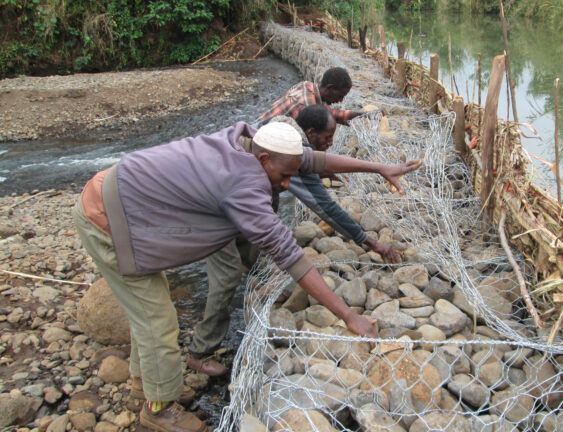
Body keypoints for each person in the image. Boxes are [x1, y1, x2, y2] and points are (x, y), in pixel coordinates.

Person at [73, 121, 421, 432]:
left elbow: (312, 160)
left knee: (152, 305)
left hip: (127, 195)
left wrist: (378, 167)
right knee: (157, 321)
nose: (287, 185)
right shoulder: (242, 188)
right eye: (283, 177)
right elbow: (292, 258)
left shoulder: (252, 141)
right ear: (264, 161)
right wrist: (349, 316)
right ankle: (158, 411)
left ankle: (144, 384)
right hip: (109, 217)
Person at [186, 103, 402, 377]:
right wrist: (350, 311)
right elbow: (325, 211)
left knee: (250, 254)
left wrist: (379, 168)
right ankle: (200, 350)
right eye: (327, 138)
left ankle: (246, 291)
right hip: (214, 211)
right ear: (311, 133)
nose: (331, 143)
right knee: (227, 273)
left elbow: (320, 162)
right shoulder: (286, 158)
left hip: (232, 203)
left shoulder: (284, 136)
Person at [255, 66, 363, 126]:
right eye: (340, 96)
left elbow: (334, 114)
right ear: (329, 88)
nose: (340, 101)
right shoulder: (306, 106)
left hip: (254, 129)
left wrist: (365, 115)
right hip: (255, 139)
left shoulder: (307, 86)